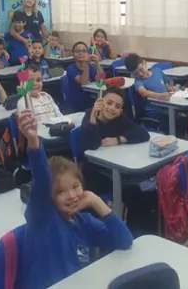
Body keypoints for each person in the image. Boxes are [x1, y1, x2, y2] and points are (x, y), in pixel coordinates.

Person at [16, 109, 134, 288]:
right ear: (49, 196)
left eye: (75, 187)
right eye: (61, 192)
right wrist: (33, 141)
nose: (72, 196)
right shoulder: (42, 220)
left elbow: (124, 241)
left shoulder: (83, 220)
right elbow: (41, 178)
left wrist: (97, 203)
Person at [78, 87, 149, 151]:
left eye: (117, 107)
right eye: (109, 103)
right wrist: (93, 119)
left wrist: (119, 140)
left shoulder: (119, 119)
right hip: (92, 162)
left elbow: (144, 134)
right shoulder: (90, 116)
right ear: (100, 102)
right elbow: (91, 145)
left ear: (120, 111)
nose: (112, 108)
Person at [127, 53, 174, 120]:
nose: (140, 74)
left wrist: (172, 89)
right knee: (173, 117)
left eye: (140, 69)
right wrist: (160, 96)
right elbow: (143, 93)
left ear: (145, 63)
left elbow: (167, 86)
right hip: (154, 110)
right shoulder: (138, 82)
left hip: (168, 105)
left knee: (182, 115)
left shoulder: (157, 71)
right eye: (135, 73)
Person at [64, 41, 105, 112]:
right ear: (73, 54)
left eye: (84, 51)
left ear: (88, 53)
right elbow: (83, 82)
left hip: (90, 103)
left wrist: (97, 63)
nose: (81, 53)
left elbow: (101, 80)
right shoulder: (71, 68)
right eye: (77, 51)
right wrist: (86, 64)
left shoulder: (91, 67)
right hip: (76, 106)